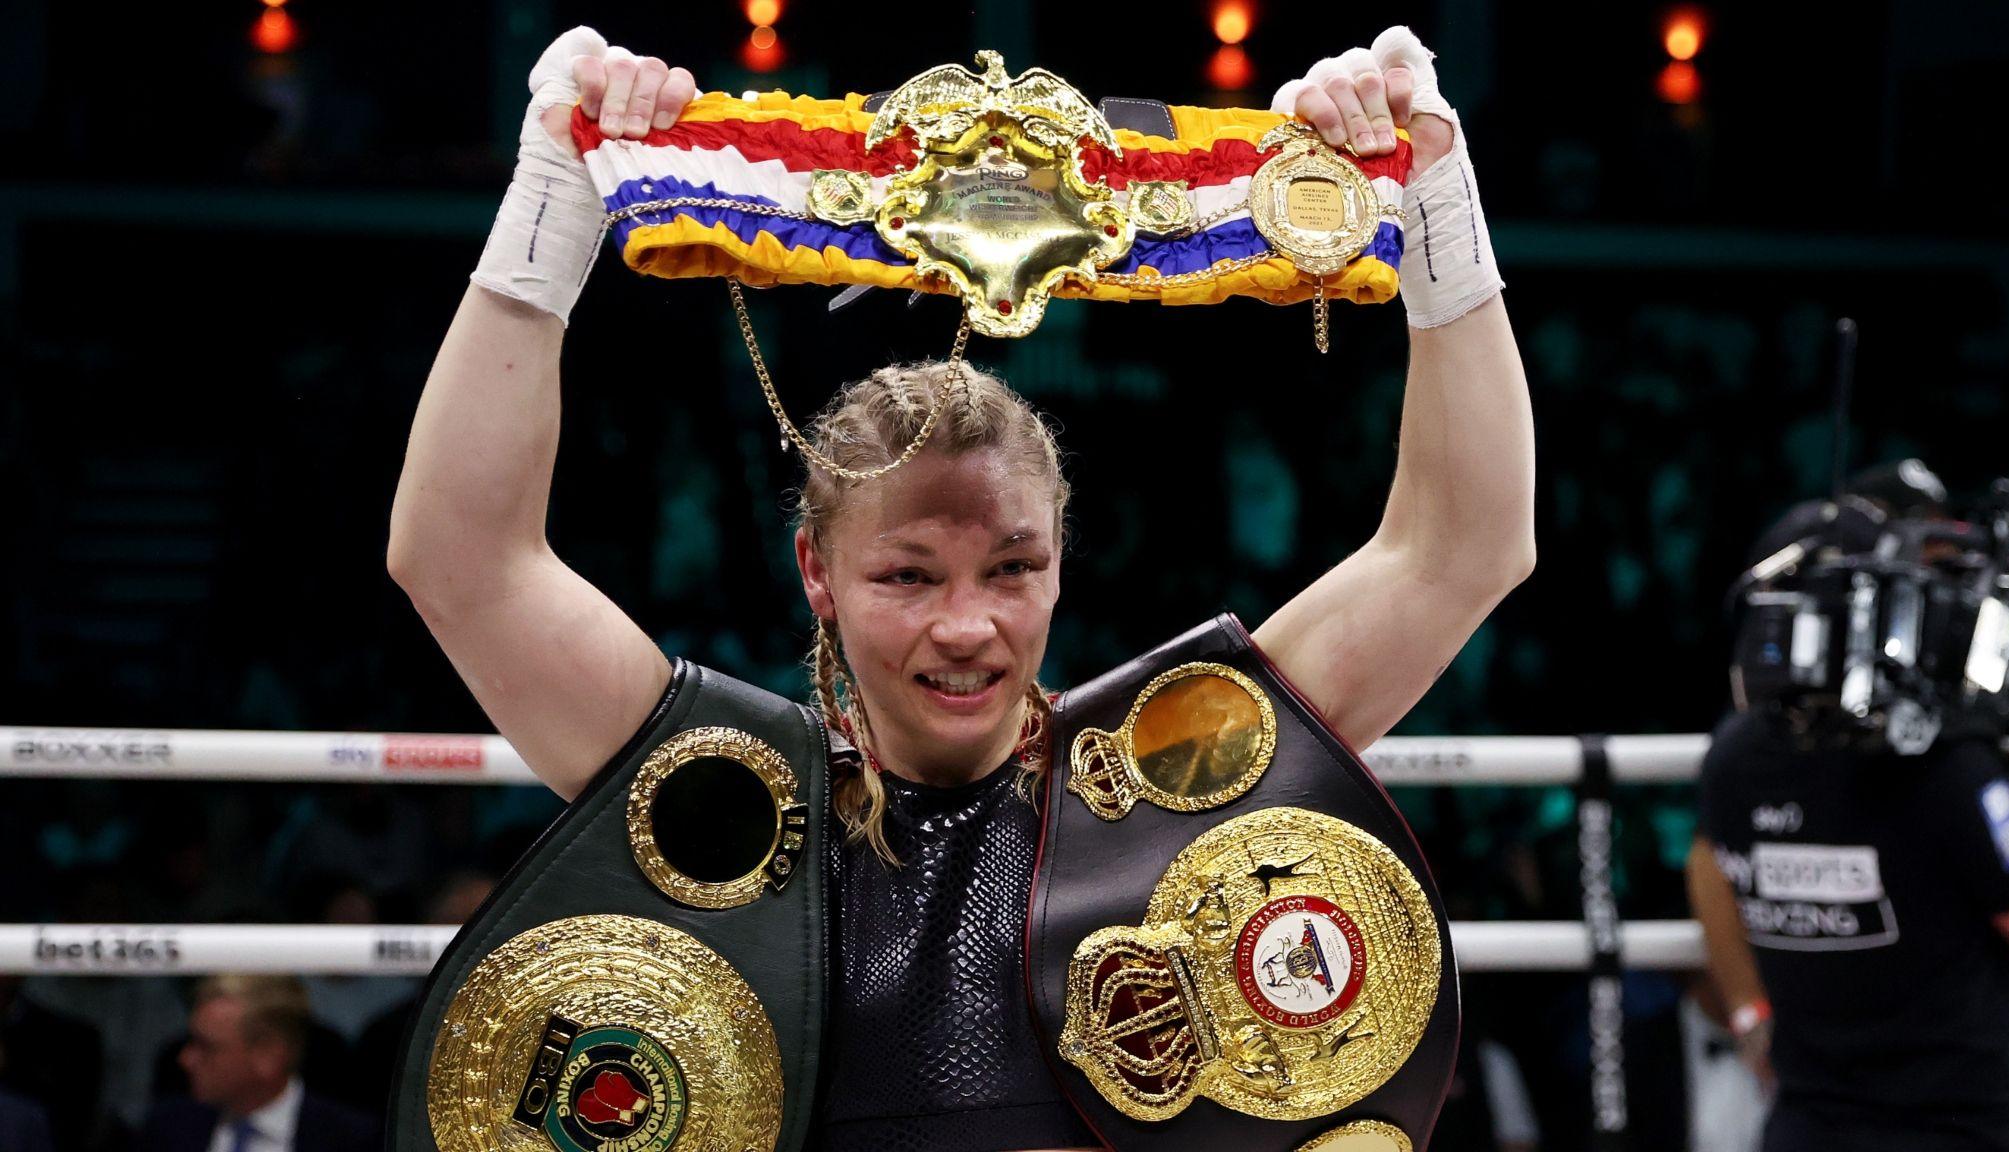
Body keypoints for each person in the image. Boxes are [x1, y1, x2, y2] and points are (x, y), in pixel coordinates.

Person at [387, 24, 1532, 1151]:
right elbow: (460, 562)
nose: (967, 625)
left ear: (1061, 556)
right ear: (816, 573)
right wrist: (554, 191)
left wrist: (1433, 185)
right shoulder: (716, 797)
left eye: (1012, 568)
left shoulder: (1180, 770)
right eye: (906, 575)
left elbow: (1462, 548)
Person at [1689, 503, 2009, 1152]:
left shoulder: (1733, 757)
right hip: (1967, 1124)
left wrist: (1750, 1010)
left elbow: (1710, 864)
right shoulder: (1943, 763)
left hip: (1810, 1123)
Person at [135, 975, 375, 1152]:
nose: (185, 1059)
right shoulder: (166, 1129)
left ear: (268, 1056)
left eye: (206, 1046)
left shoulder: (352, 1141)